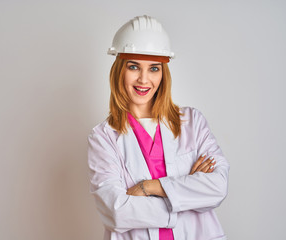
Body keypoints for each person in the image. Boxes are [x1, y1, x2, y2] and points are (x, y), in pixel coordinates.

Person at [87, 15, 229, 240]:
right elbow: (117, 212)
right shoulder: (104, 138)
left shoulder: (193, 122)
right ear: (119, 71)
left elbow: (218, 187)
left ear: (163, 74)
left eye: (154, 68)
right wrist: (186, 196)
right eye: (134, 67)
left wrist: (149, 187)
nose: (144, 79)